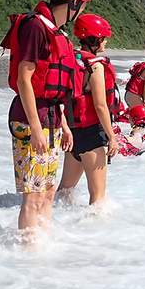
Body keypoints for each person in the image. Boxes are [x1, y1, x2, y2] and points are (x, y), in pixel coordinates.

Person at [0, 0, 91, 239]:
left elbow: (55, 89)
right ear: (74, 2)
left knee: (48, 192)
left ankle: (44, 248)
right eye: (82, 6)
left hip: (50, 116)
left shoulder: (57, 32)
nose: (81, 12)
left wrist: (64, 124)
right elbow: (24, 79)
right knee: (34, 196)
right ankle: (27, 253)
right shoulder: (35, 27)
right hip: (31, 118)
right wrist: (37, 128)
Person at [58, 13, 121, 205]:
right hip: (92, 134)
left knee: (64, 192)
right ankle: (94, 233)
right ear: (95, 39)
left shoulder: (71, 58)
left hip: (72, 131)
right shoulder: (95, 66)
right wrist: (112, 136)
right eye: (103, 38)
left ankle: (53, 222)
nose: (106, 42)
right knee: (98, 199)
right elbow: (100, 105)